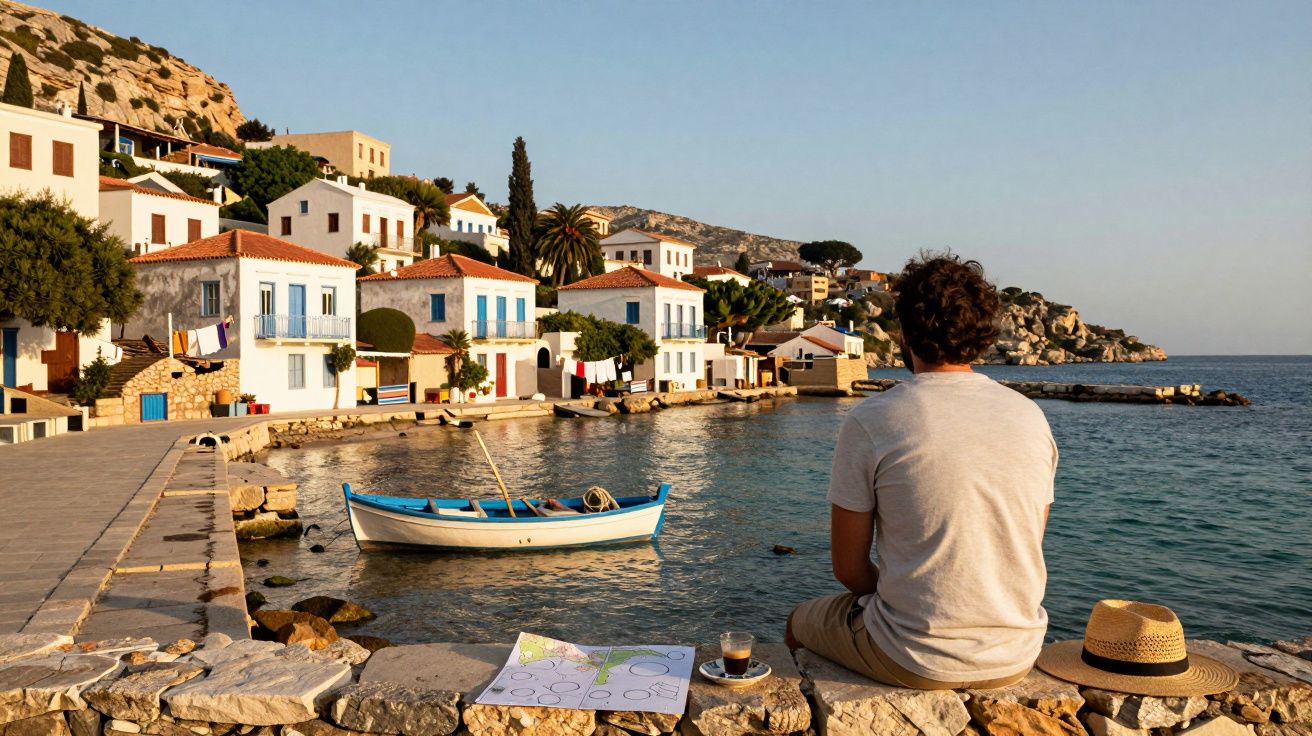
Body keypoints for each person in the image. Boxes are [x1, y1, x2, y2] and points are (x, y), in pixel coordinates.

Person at [785, 253, 1057, 689]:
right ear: (982, 335)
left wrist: (900, 604)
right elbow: (1023, 543)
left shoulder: (873, 420)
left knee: (799, 623)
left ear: (905, 331)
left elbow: (849, 569)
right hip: (1017, 653)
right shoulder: (1030, 417)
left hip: (914, 656)